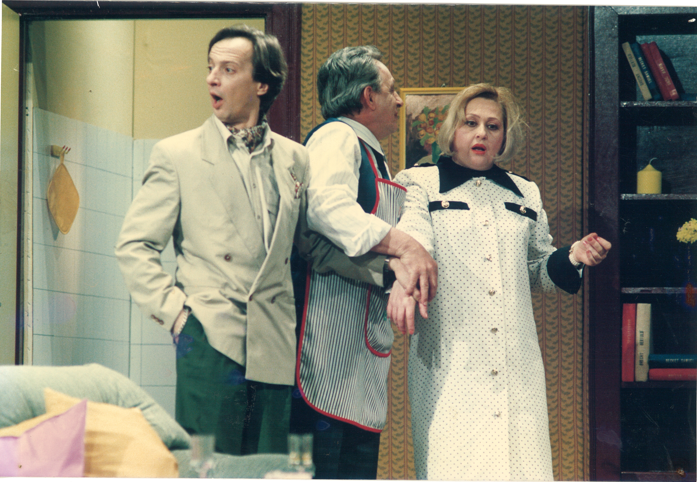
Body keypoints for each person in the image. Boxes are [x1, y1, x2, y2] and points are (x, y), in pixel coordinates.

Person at [115, 25, 378, 457]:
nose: (212, 79)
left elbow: (312, 246)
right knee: (207, 469)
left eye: (228, 69)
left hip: (274, 347)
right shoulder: (177, 154)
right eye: (210, 68)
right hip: (210, 341)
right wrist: (178, 316)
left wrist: (389, 271)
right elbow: (134, 246)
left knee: (270, 471)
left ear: (262, 83)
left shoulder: (295, 158)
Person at [388, 83, 612, 480]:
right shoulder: (419, 181)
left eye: (493, 126)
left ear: (504, 136)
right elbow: (413, 238)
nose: (482, 133)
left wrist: (574, 256)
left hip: (515, 364)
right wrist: (403, 280)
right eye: (470, 123)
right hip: (449, 362)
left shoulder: (525, 192)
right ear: (452, 130)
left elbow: (537, 269)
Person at [290, 45, 438, 480]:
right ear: (368, 96)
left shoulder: (374, 156)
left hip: (359, 344)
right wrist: (404, 247)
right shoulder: (336, 137)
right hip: (326, 339)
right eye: (392, 90)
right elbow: (327, 207)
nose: (399, 101)